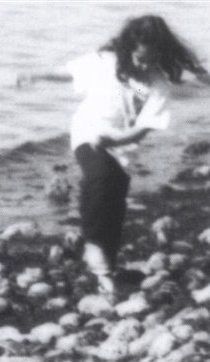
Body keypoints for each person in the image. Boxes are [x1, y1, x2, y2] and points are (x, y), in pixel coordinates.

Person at [18, 15, 209, 298]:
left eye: (152, 60)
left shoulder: (155, 85)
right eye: (140, 59)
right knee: (100, 177)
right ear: (128, 48)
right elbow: (70, 72)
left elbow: (142, 129)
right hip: (88, 132)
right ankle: (94, 248)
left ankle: (106, 266)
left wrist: (117, 140)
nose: (144, 66)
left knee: (116, 198)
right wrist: (38, 74)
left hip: (122, 143)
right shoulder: (105, 62)